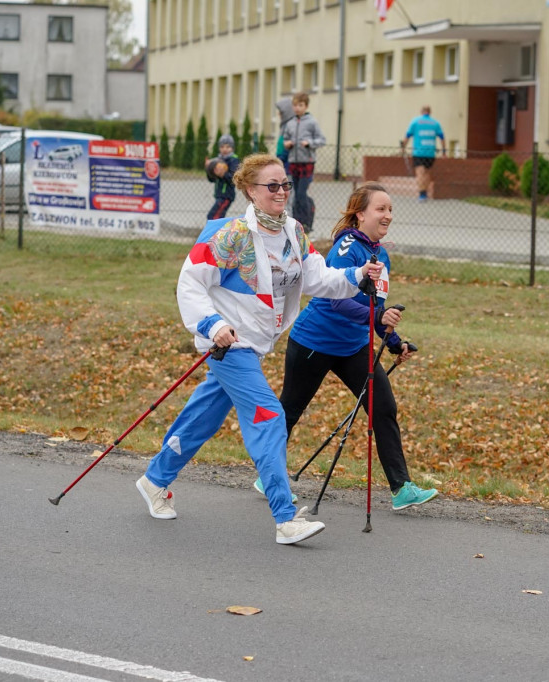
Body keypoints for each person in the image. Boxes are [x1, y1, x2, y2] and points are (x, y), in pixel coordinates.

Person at [136, 154, 384, 545]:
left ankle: (155, 479)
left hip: (253, 347)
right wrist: (212, 324)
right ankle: (286, 518)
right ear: (250, 191)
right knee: (269, 419)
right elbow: (190, 283)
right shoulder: (230, 234)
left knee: (202, 418)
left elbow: (317, 278)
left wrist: (355, 275)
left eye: (285, 184)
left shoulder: (293, 232)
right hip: (229, 345)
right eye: (272, 186)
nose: (282, 192)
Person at [254, 182, 439, 511]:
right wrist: (379, 315)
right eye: (381, 209)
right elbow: (338, 303)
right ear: (360, 214)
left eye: (390, 210)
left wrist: (395, 343)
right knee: (290, 411)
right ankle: (268, 477)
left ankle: (401, 488)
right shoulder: (346, 247)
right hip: (315, 341)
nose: (388, 215)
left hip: (354, 346)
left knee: (383, 407)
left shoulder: (381, 256)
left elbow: (374, 311)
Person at [282, 92, 325, 233]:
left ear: (306, 106)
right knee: (294, 194)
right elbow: (284, 140)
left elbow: (321, 140)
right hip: (293, 162)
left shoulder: (312, 122)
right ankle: (296, 222)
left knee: (301, 194)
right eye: (295, 105)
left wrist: (309, 143)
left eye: (300, 105)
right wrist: (287, 143)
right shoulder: (290, 123)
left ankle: (306, 223)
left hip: (307, 162)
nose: (297, 108)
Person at [401, 106, 446, 202]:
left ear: (422, 112)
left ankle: (422, 194)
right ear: (430, 112)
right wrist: (444, 151)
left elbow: (408, 135)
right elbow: (442, 137)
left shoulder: (415, 121)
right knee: (427, 172)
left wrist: (403, 147)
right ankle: (425, 192)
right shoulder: (435, 123)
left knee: (420, 172)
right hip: (430, 152)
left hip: (419, 152)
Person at [205, 134, 240, 220]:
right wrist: (208, 169)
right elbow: (212, 179)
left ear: (232, 148)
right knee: (216, 217)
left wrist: (222, 174)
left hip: (226, 196)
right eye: (222, 146)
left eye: (228, 147)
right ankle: (218, 233)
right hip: (219, 195)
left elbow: (233, 178)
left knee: (213, 217)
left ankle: (214, 233)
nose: (225, 149)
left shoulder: (234, 160)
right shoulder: (217, 160)